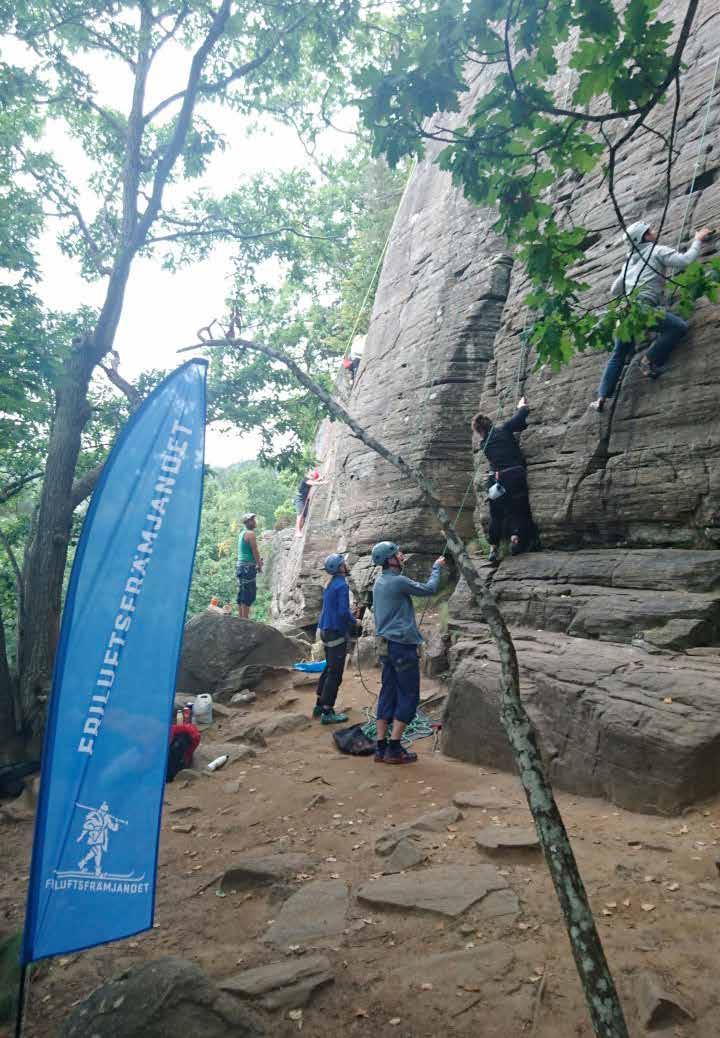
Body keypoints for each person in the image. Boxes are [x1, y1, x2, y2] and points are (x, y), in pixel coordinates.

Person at [591, 222, 712, 411]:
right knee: (677, 327)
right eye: (650, 231)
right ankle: (649, 359)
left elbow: (615, 289)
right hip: (644, 307)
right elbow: (685, 261)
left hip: (625, 310)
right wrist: (697, 240)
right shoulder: (656, 251)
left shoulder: (629, 261)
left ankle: (601, 398)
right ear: (644, 237)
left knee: (619, 353)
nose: (654, 232)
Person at [371, 542, 446, 765]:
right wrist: (437, 568)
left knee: (388, 692)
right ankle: (394, 748)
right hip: (401, 646)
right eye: (398, 554)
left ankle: (380, 745)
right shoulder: (398, 581)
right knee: (408, 695)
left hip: (386, 646)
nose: (402, 556)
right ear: (390, 560)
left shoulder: (379, 582)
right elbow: (430, 589)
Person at [471, 396, 538, 564]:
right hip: (515, 475)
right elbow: (520, 417)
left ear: (479, 431)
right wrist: (521, 405)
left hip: (497, 481)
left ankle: (494, 548)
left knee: (497, 514)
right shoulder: (505, 430)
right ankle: (516, 538)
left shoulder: (483, 444)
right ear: (490, 424)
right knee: (518, 509)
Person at [313, 553, 363, 725]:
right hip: (335, 632)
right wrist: (354, 621)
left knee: (329, 667)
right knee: (335, 673)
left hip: (326, 630)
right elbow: (342, 612)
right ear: (340, 567)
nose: (346, 565)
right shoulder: (341, 585)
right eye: (344, 563)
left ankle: (319, 704)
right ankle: (327, 710)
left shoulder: (331, 584)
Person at [236, 512, 263, 619]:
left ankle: (241, 618)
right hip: (247, 568)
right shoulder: (250, 534)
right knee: (248, 593)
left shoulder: (242, 533)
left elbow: (248, 552)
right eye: (252, 520)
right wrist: (259, 564)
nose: (254, 521)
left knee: (242, 592)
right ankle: (245, 620)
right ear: (248, 522)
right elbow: (255, 551)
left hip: (241, 567)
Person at [294, 466, 324, 534]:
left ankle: (300, 529)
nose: (312, 478)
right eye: (312, 476)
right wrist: (323, 482)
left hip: (305, 500)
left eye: (313, 477)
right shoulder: (305, 479)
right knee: (300, 514)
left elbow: (313, 481)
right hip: (299, 499)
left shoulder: (310, 480)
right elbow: (313, 483)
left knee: (304, 516)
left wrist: (319, 479)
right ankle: (297, 531)